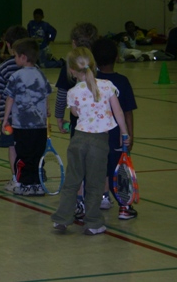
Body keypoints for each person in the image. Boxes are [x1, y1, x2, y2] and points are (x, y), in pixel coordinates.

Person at [51, 47, 130, 235]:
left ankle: (62, 220)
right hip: (99, 142)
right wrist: (124, 133)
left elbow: (75, 113)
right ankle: (93, 223)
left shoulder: (73, 92)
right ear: (93, 65)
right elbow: (119, 112)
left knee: (72, 181)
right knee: (95, 184)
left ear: (71, 70)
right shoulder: (108, 85)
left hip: (78, 140)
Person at [53, 22, 98, 219]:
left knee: (78, 163)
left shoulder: (69, 66)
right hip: (101, 128)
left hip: (79, 126)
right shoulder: (96, 64)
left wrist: (58, 116)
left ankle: (79, 201)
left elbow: (62, 94)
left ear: (73, 43)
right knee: (97, 162)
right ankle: (102, 196)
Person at [92, 38, 138, 220]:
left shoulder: (91, 82)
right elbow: (127, 113)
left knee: (96, 170)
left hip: (96, 137)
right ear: (117, 57)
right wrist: (129, 135)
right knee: (119, 172)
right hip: (117, 137)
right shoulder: (122, 81)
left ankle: (92, 203)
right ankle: (124, 207)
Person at [1, 38, 52, 196]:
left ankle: (24, 184)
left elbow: (10, 99)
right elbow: (46, 97)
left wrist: (5, 120)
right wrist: (47, 114)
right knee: (37, 155)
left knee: (23, 155)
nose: (14, 59)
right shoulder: (41, 75)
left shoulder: (16, 76)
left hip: (22, 126)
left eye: (15, 56)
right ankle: (37, 184)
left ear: (23, 57)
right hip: (40, 126)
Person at [0, 25, 29, 191]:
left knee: (13, 147)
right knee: (28, 146)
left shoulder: (4, 67)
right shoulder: (34, 67)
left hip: (10, 118)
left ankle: (16, 179)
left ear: (7, 45)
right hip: (30, 118)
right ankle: (30, 176)